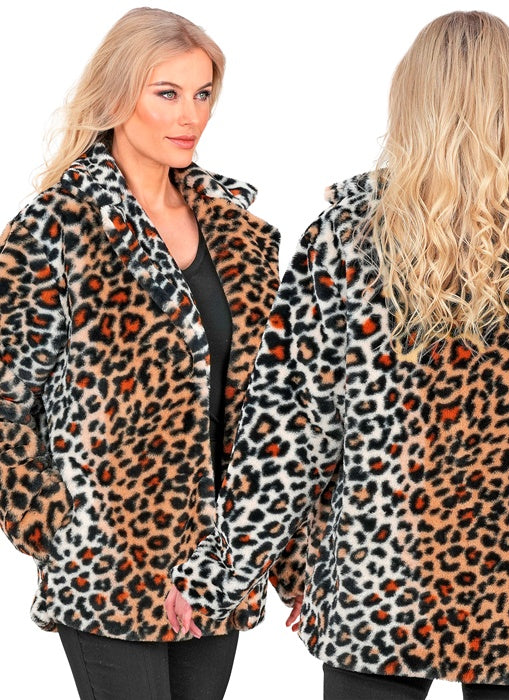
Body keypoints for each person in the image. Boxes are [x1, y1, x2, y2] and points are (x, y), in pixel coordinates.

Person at [165, 10, 509, 700]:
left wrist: (220, 572)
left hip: (379, 592)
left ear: (408, 98)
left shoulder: (343, 241)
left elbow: (288, 435)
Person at [0, 7, 302, 700]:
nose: (190, 115)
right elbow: (4, 399)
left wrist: (287, 556)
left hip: (217, 562)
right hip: (107, 563)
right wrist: (54, 525)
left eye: (202, 94)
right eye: (167, 93)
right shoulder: (57, 225)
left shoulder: (237, 232)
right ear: (116, 95)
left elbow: (272, 410)